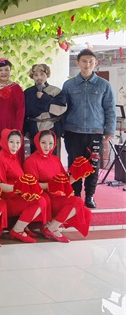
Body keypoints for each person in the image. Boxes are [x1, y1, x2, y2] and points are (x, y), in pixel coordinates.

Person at [62, 49, 115, 209]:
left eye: (91, 61)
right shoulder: (69, 85)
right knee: (74, 164)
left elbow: (110, 109)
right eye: (84, 61)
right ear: (77, 62)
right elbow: (63, 108)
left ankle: (90, 196)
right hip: (73, 132)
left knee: (93, 165)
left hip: (95, 132)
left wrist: (109, 130)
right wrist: (61, 129)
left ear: (95, 63)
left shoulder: (104, 85)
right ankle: (76, 195)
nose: (87, 64)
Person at [23, 130, 92, 242]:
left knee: (83, 209)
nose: (47, 146)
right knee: (77, 202)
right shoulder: (31, 161)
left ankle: (51, 225)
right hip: (45, 198)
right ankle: (52, 227)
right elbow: (31, 185)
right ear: (37, 142)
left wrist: (77, 174)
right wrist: (51, 185)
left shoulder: (55, 159)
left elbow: (64, 183)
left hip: (57, 196)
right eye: (43, 142)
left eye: (51, 143)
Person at [0, 129, 48, 243]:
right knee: (39, 201)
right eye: (11, 142)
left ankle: (23, 226)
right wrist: (18, 188)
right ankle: (17, 230)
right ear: (5, 141)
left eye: (18, 142)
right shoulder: (0, 159)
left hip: (17, 195)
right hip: (7, 200)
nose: (15, 146)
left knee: (42, 197)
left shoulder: (13, 157)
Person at [24, 64, 67, 155]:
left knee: (52, 154)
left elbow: (62, 109)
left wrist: (45, 98)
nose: (39, 77)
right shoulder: (28, 92)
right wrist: (25, 129)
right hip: (34, 128)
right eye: (36, 75)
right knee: (35, 154)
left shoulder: (56, 91)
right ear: (32, 76)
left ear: (47, 75)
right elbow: (24, 112)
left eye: (42, 74)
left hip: (52, 127)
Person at [0, 58, 25, 159]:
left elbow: (21, 109)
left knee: (12, 147)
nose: (3, 72)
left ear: (10, 71)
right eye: (0, 70)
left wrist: (17, 129)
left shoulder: (16, 88)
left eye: (6, 70)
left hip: (12, 123)